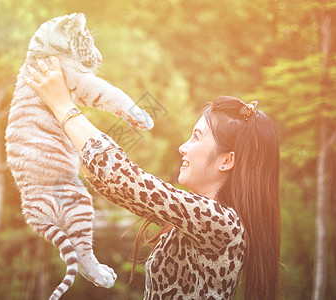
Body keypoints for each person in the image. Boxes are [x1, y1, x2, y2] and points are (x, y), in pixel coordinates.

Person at [24, 56, 281, 300]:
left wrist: (63, 106)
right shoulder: (200, 220)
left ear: (227, 160)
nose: (183, 146)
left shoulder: (222, 223)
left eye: (197, 136)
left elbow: (123, 177)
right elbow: (117, 186)